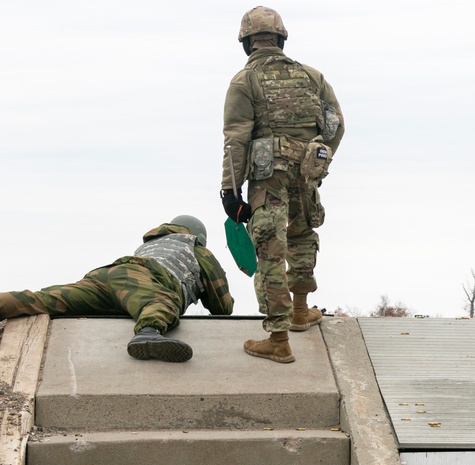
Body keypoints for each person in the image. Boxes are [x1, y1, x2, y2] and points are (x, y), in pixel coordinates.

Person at [220, 6, 346, 364]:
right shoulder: (312, 76)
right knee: (304, 233)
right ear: (281, 38)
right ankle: (302, 310)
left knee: (270, 249)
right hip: (305, 172)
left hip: (269, 176)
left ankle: (278, 338)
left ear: (246, 43)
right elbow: (336, 125)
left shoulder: (244, 82)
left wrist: (230, 192)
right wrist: (318, 159)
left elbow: (236, 140)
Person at [0, 216, 234, 363]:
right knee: (163, 299)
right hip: (138, 279)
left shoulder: (151, 243)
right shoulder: (196, 248)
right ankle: (148, 333)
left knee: (42, 300)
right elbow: (222, 307)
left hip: (106, 276)